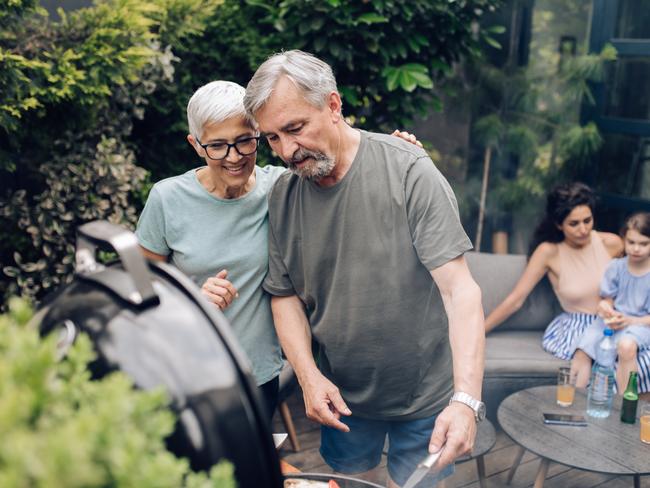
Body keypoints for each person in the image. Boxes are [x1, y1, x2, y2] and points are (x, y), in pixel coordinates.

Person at [243, 50, 485, 488]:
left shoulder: (410, 170)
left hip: (426, 397)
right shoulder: (281, 197)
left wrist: (466, 400)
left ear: (333, 106)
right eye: (273, 138)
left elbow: (460, 292)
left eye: (295, 129)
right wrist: (309, 376)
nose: (287, 151)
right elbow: (284, 297)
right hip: (342, 397)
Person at [135, 80, 423, 420]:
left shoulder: (282, 187)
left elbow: (343, 165)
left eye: (245, 141)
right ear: (196, 145)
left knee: (251, 471)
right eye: (217, 146)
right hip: (185, 372)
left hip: (257, 374)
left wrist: (397, 151)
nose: (234, 157)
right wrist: (189, 296)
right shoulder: (167, 199)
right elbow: (139, 286)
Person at [484, 182, 624, 388]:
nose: (583, 229)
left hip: (611, 322)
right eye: (574, 223)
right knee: (596, 359)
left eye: (588, 220)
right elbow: (516, 299)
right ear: (559, 224)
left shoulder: (612, 243)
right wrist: (480, 331)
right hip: (577, 326)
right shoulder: (549, 252)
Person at [572, 212, 650, 391]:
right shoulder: (616, 267)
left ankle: (622, 404)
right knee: (584, 346)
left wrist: (630, 321)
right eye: (631, 242)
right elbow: (607, 300)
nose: (636, 249)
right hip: (614, 322)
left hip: (640, 325)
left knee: (626, 346)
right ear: (624, 239)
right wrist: (606, 309)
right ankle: (575, 397)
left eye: (643, 243)